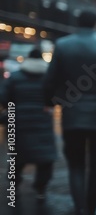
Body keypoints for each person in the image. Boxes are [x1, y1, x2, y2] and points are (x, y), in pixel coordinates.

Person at [43, 9, 96, 215]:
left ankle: (79, 208)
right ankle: (91, 209)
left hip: (72, 115)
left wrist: (49, 103)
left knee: (76, 165)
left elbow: (50, 80)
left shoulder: (62, 46)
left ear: (77, 22)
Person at [0, 48, 57, 201]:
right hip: (42, 122)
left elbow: (4, 98)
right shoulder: (48, 78)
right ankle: (40, 188)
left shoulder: (14, 77)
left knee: (16, 156)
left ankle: (14, 186)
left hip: (18, 122)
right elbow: (55, 98)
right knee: (44, 157)